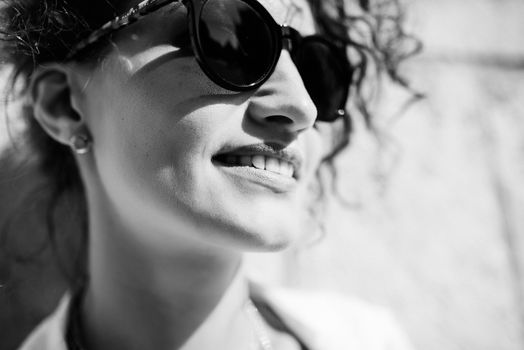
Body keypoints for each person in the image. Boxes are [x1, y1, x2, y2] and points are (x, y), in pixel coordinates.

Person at [0, 0, 419, 349]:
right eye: (229, 40)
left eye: (314, 68)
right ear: (65, 105)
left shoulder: (369, 338)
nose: (301, 107)